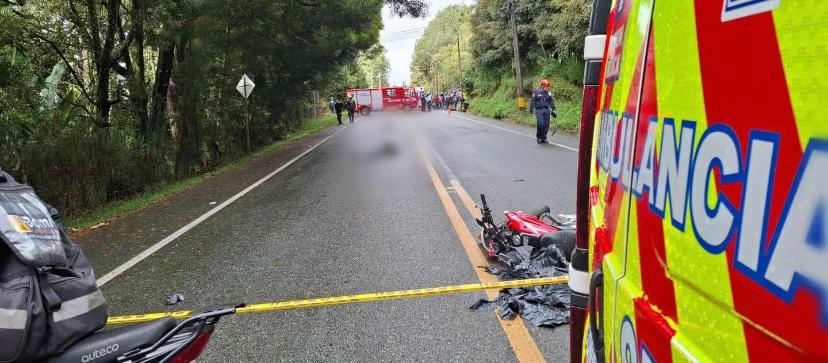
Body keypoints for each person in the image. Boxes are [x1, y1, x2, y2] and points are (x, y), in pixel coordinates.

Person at [531, 79, 557, 144]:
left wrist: (554, 109)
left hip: (546, 110)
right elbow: (533, 101)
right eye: (546, 86)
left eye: (548, 86)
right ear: (542, 86)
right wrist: (531, 109)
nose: (547, 88)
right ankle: (539, 137)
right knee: (541, 124)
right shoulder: (536, 92)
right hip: (539, 110)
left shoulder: (548, 93)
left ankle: (544, 137)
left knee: (546, 124)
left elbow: (551, 101)